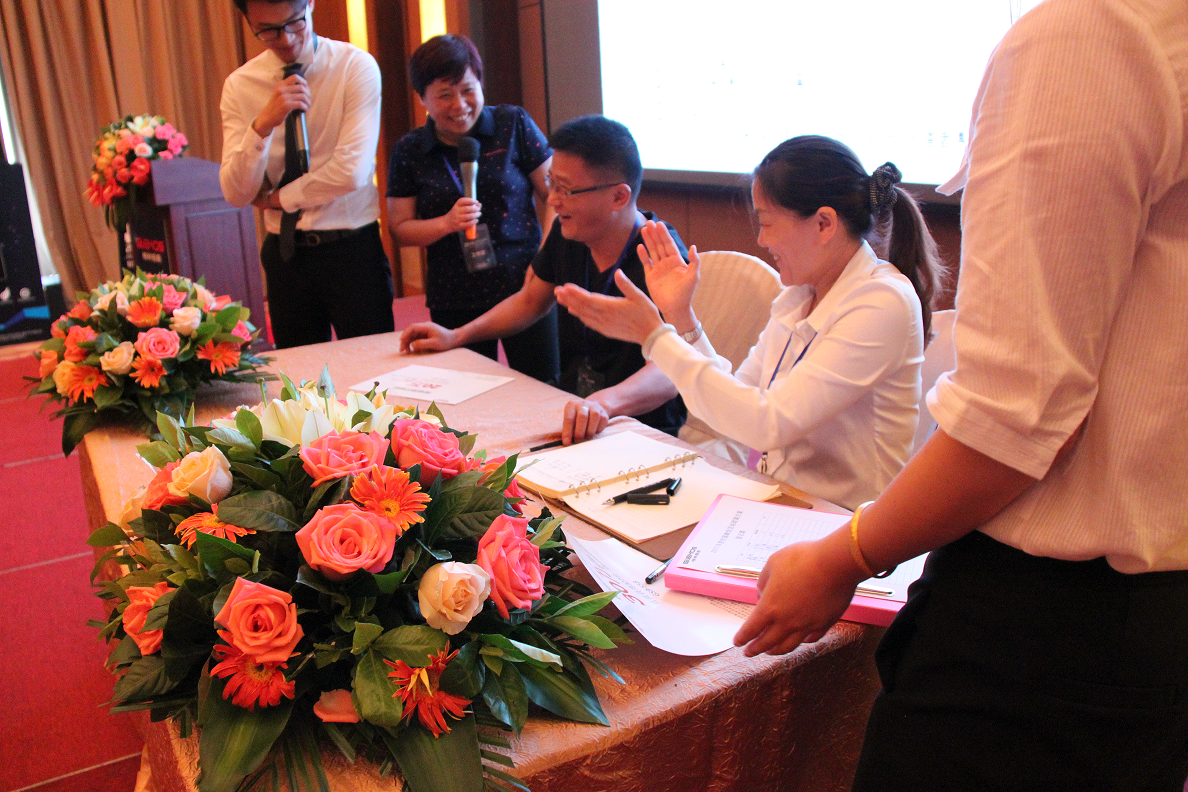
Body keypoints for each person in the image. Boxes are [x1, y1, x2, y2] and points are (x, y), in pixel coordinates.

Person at [730, 1, 1188, 790]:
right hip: (1140, 614)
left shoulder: (1092, 32)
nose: (763, 239)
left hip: (1049, 626)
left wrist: (845, 557)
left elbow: (1017, 418)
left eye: (769, 221)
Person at [556, 136, 943, 510]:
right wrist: (679, 316)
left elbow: (767, 424)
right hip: (784, 504)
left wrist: (654, 336)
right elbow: (735, 405)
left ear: (824, 224)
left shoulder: (882, 302)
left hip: (845, 525)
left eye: (767, 223)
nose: (760, 239)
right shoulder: (802, 294)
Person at [400, 115, 687, 442]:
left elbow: (673, 368)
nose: (552, 200)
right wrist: (456, 335)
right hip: (575, 411)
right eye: (551, 183)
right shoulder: (571, 232)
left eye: (566, 189)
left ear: (619, 197)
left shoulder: (662, 256)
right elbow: (529, 301)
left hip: (642, 430)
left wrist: (605, 403)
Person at [219, 0, 394, 349]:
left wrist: (278, 199)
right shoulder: (240, 86)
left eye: (295, 22)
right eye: (268, 30)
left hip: (352, 249)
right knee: (299, 374)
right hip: (286, 255)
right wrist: (262, 125)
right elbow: (236, 193)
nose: (285, 39)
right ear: (249, 22)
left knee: (373, 365)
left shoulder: (354, 66)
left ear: (310, 4)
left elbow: (352, 171)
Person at [386, 35, 559, 383]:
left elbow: (557, 195)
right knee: (465, 392)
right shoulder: (410, 150)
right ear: (422, 98)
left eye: (467, 90)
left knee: (543, 386)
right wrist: (445, 223)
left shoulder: (513, 124)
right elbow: (399, 228)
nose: (459, 105)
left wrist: (546, 258)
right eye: (444, 95)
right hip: (454, 293)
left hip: (524, 285)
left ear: (480, 84)